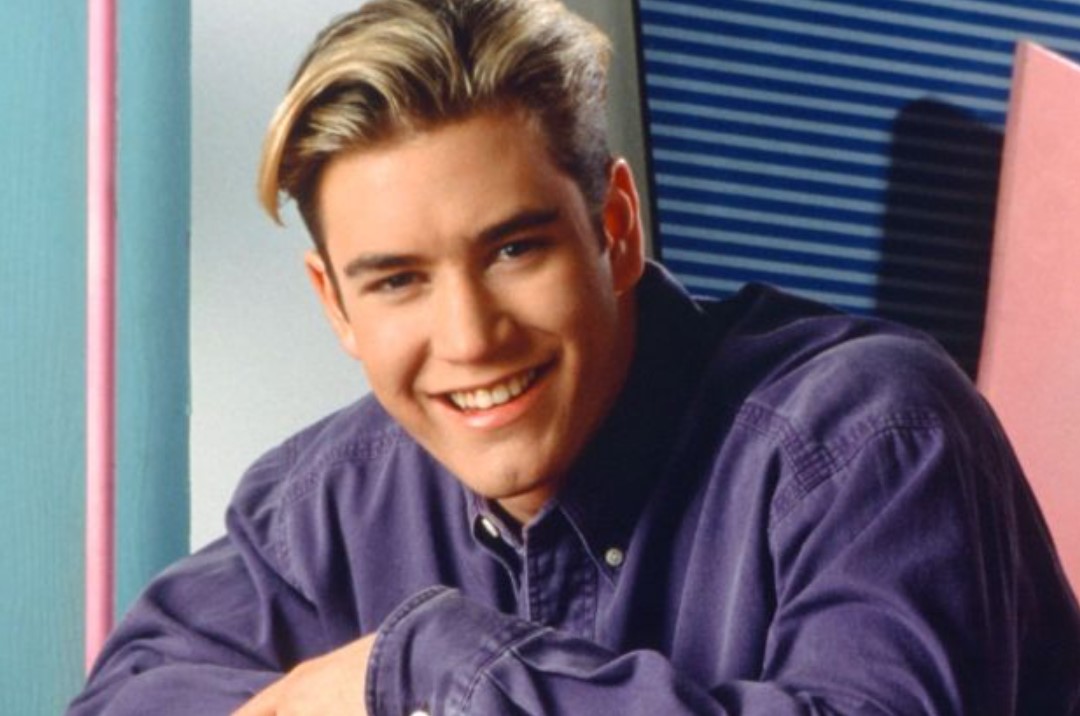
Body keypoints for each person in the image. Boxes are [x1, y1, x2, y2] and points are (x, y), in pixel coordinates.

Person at [69, 0, 1080, 713]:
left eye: (514, 250)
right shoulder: (323, 503)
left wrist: (426, 666)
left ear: (617, 226)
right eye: (398, 280)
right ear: (335, 303)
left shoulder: (870, 437)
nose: (471, 337)